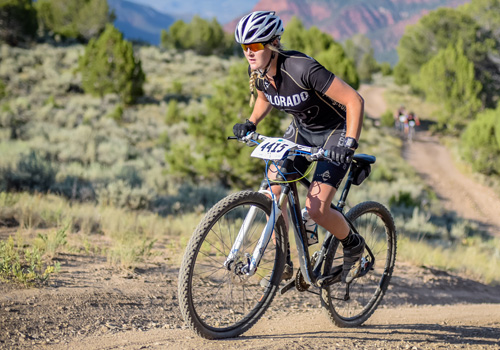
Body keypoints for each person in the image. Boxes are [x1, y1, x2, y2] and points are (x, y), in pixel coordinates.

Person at [232, 11, 365, 284]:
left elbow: (354, 100)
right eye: (245, 47)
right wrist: (252, 121)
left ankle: (353, 244)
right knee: (272, 191)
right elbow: (264, 97)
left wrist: (349, 144)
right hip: (301, 131)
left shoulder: (302, 68)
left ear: (273, 44)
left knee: (316, 210)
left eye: (255, 45)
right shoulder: (257, 70)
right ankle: (285, 261)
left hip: (335, 133)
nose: (249, 52)